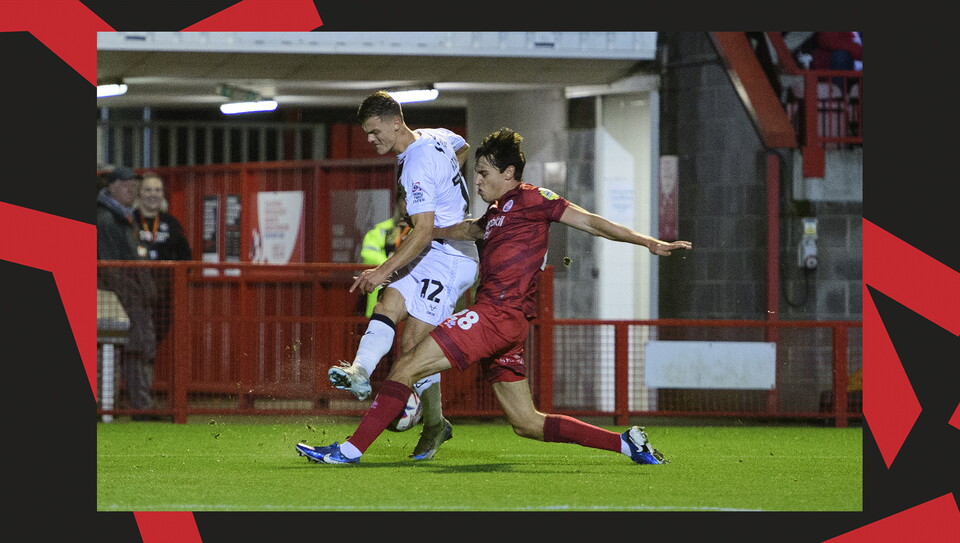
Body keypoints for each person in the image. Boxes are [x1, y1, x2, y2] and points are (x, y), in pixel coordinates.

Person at [297, 128, 693, 465]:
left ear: (509, 173)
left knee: (406, 366)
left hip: (495, 316)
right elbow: (471, 231)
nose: (479, 182)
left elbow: (590, 222)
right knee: (527, 423)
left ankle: (349, 450)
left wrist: (649, 242)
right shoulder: (496, 212)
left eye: (484, 174)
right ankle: (626, 444)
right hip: (508, 323)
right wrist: (427, 229)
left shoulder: (535, 199)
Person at [326, 90, 480, 460]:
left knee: (413, 346)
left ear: (396, 122)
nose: (370, 139)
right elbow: (464, 147)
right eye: (366, 132)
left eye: (374, 130)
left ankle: (433, 424)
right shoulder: (436, 136)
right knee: (390, 300)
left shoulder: (415, 163)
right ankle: (361, 370)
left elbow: (423, 230)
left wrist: (382, 270)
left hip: (452, 259)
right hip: (433, 251)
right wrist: (446, 182)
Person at [96, 166, 159, 420]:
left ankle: (129, 407)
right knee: (118, 350)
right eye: (125, 184)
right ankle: (114, 407)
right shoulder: (107, 218)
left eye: (134, 185)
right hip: (117, 297)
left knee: (130, 349)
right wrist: (137, 294)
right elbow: (110, 266)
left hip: (125, 296)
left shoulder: (121, 216)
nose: (131, 189)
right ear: (110, 186)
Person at [133, 172, 192, 346]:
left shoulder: (171, 223)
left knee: (156, 340)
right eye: (148, 190)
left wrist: (174, 282)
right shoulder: (130, 220)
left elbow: (185, 257)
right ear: (139, 193)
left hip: (163, 296)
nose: (153, 194)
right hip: (136, 292)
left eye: (157, 190)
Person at [359, 189, 411, 318]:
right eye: (404, 199)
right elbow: (369, 255)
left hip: (412, 299)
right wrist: (394, 266)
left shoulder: (426, 231)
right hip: (381, 298)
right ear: (398, 202)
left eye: (412, 199)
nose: (408, 204)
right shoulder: (382, 229)